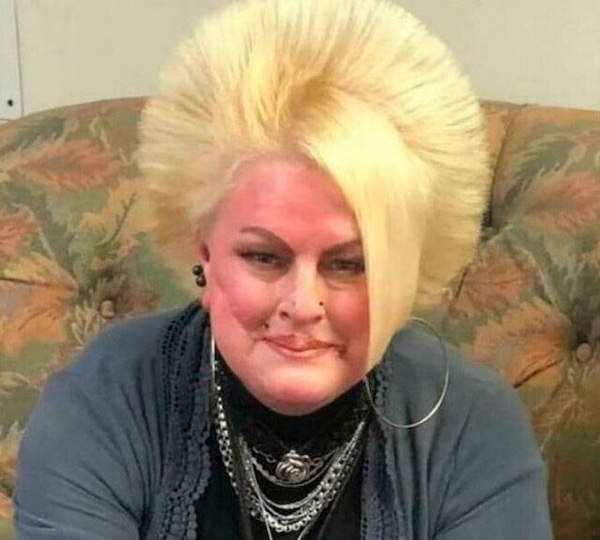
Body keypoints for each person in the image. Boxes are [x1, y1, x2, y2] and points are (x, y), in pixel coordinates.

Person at [13, 0, 553, 538]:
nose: (302, 305)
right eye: (264, 257)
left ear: (401, 274)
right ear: (206, 255)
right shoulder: (105, 400)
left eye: (348, 264)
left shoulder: (474, 428)